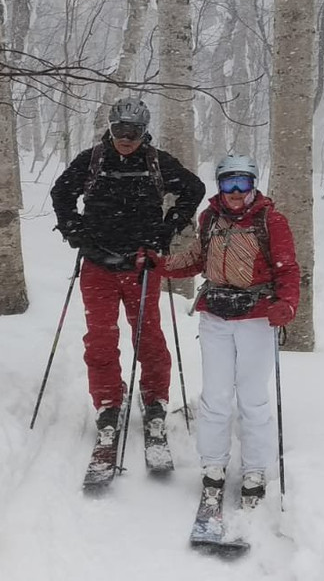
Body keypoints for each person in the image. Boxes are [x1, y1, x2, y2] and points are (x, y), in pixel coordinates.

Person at [51, 97, 205, 448]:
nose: (126, 137)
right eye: (120, 128)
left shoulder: (156, 162)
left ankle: (155, 400)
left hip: (141, 266)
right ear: (110, 127)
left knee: (148, 337)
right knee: (101, 339)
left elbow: (193, 189)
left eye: (133, 130)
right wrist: (75, 232)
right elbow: (61, 193)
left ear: (144, 131)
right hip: (97, 265)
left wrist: (168, 230)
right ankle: (107, 402)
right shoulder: (92, 160)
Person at [157, 154, 300, 509]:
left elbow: (288, 270)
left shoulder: (271, 221)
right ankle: (213, 466)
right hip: (215, 317)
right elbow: (195, 259)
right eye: (228, 183)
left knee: (252, 397)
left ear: (253, 185)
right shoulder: (210, 219)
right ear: (219, 185)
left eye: (243, 183)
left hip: (256, 317)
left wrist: (287, 304)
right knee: (216, 397)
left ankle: (254, 469)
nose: (236, 192)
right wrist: (160, 265)